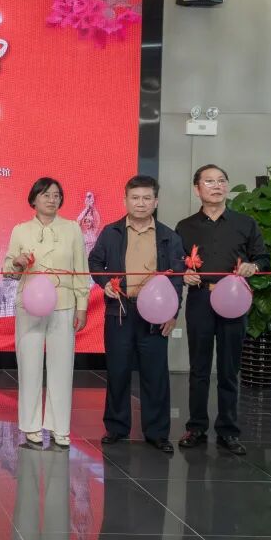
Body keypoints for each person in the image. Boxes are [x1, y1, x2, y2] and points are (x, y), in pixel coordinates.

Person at [176, 164, 269, 456]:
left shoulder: (245, 223)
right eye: (209, 181)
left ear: (227, 186)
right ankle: (196, 427)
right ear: (197, 189)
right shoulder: (185, 226)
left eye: (221, 181)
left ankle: (228, 430)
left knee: (229, 369)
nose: (216, 186)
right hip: (200, 300)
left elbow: (263, 257)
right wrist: (183, 273)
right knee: (199, 368)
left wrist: (253, 266)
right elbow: (176, 261)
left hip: (233, 300)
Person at [88, 175, 185, 452]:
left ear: (156, 201)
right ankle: (116, 427)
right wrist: (105, 283)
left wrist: (173, 311)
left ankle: (157, 432)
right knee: (117, 371)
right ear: (125, 200)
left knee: (155, 374)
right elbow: (95, 262)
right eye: (135, 198)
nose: (140, 203)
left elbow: (177, 278)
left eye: (146, 198)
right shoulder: (111, 232)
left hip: (155, 313)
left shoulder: (169, 236)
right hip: (120, 310)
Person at [4, 177, 90, 448]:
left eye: (56, 195)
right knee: (28, 365)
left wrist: (82, 305)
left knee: (62, 367)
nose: (52, 200)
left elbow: (81, 269)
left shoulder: (72, 229)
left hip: (63, 303)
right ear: (34, 199)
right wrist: (17, 263)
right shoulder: (20, 230)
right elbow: (8, 269)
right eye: (46, 195)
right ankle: (30, 425)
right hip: (29, 304)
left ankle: (59, 427)